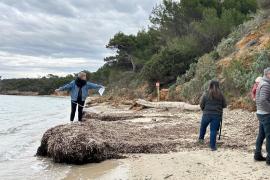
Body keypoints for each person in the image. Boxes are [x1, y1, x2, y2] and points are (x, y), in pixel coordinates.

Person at [198, 80, 227, 151]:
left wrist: (203, 109)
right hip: (217, 115)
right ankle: (212, 146)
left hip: (206, 114)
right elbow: (224, 105)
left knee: (203, 126)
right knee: (213, 130)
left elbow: (201, 104)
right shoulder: (221, 94)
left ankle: (201, 140)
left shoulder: (206, 94)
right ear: (218, 86)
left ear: (210, 85)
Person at [255, 67, 270, 165]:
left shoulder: (261, 83)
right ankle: (269, 159)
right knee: (269, 136)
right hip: (266, 114)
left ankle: (257, 155)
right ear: (268, 74)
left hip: (261, 113)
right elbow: (263, 100)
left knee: (261, 135)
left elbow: (258, 99)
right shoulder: (266, 85)